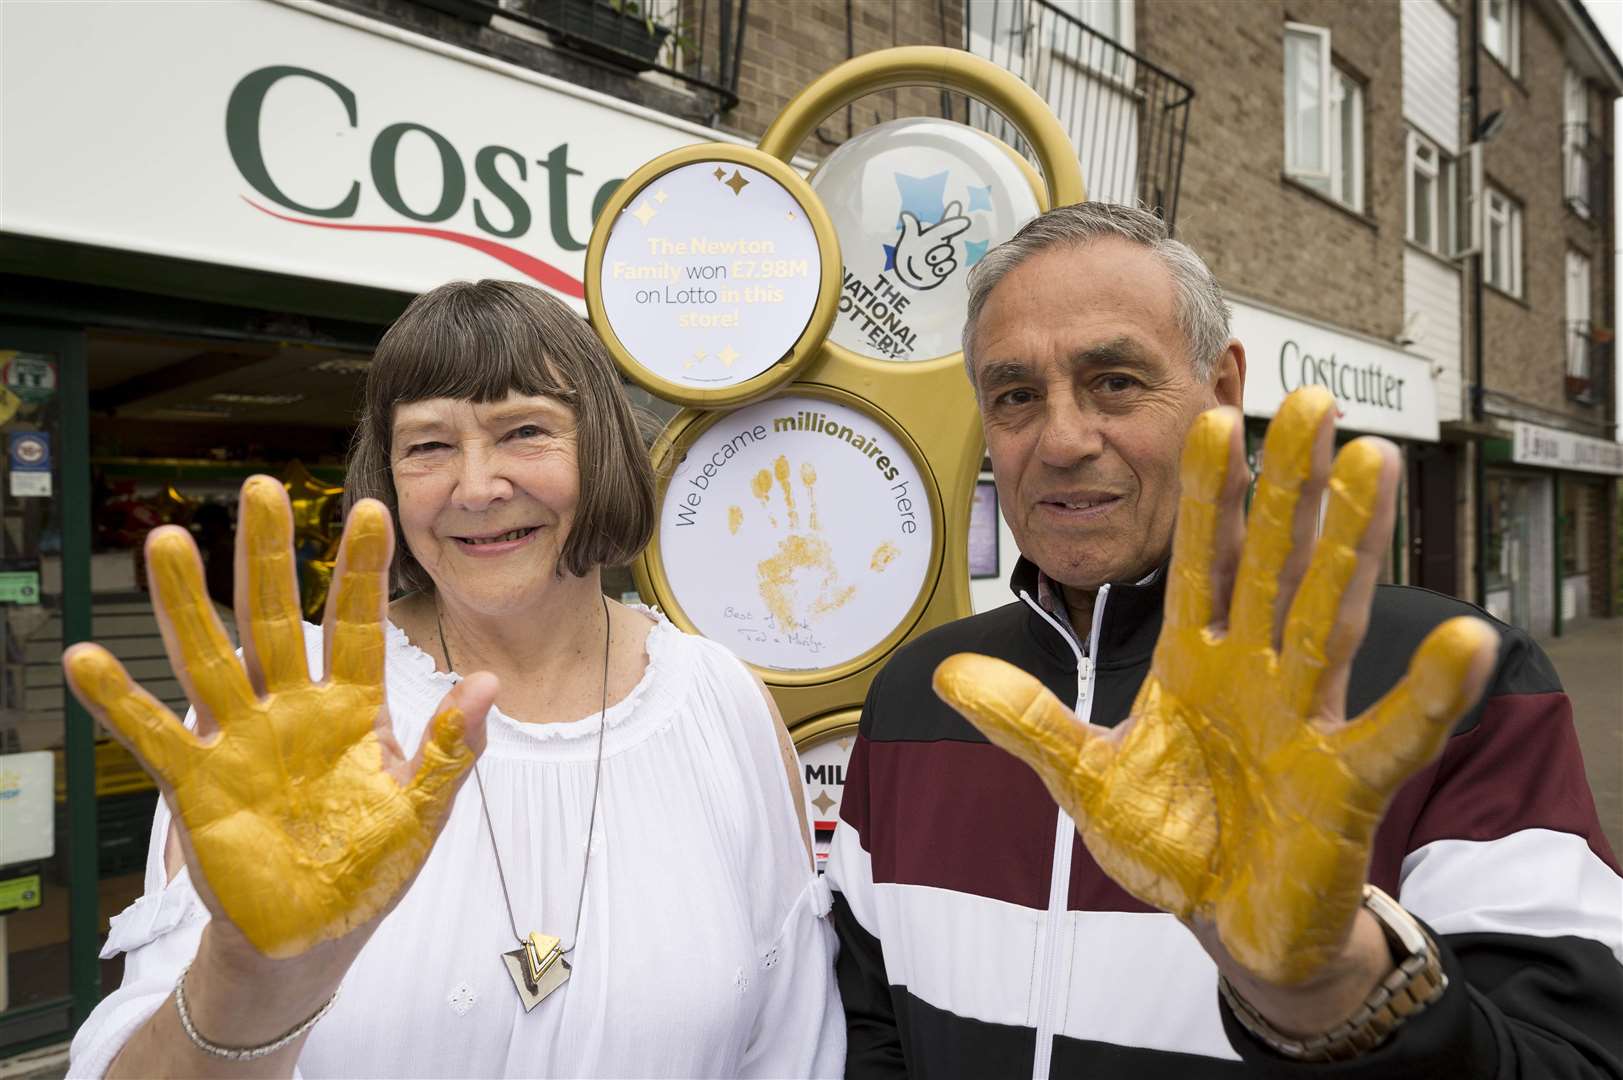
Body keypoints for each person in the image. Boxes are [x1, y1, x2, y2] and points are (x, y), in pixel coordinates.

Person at [827, 204, 1623, 1078]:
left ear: (1224, 389)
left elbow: (1574, 1061)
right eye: (1015, 396)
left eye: (1115, 381)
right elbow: (876, 1034)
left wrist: (1336, 987)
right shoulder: (919, 694)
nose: (1059, 440)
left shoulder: (1446, 691)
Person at [65, 280, 843, 1078]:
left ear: (602, 444)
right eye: (428, 445)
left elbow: (792, 1050)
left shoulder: (718, 701)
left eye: (525, 430)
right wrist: (251, 977)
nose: (476, 487)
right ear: (389, 478)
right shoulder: (296, 704)